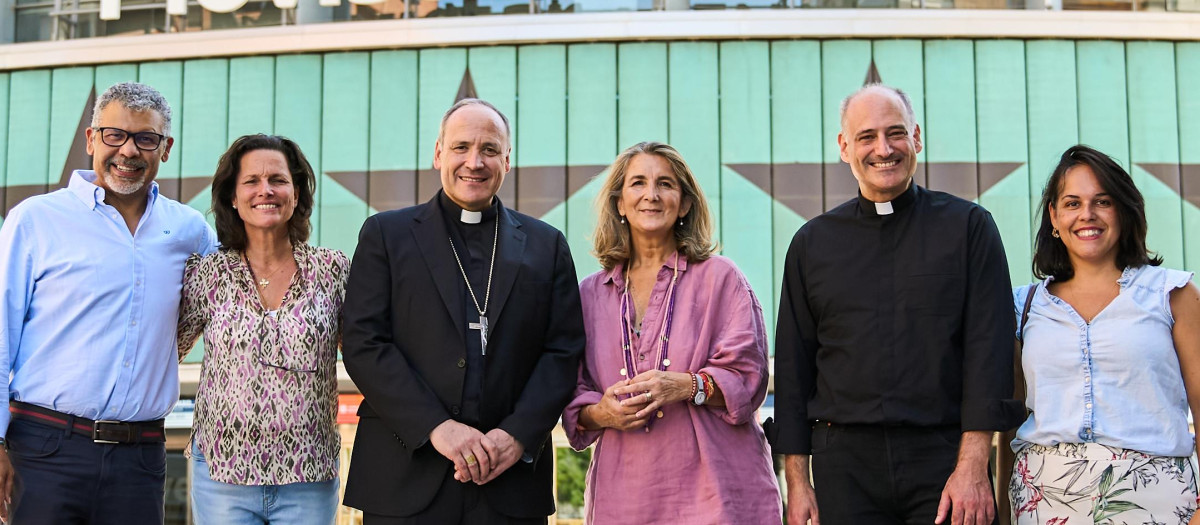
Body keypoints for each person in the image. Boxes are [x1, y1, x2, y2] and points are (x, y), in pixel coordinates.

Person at [772, 83, 1024, 525]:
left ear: (917, 138)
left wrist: (971, 466)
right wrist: (797, 483)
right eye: (866, 137)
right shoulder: (811, 244)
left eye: (896, 133)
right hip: (844, 466)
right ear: (844, 147)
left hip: (945, 461)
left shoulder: (969, 228)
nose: (883, 149)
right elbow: (795, 371)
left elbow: (991, 353)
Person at [340, 98, 586, 524]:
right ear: (438, 153)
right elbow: (364, 342)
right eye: (461, 147)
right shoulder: (387, 235)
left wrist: (516, 437)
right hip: (405, 476)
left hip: (508, 480)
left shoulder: (547, 246)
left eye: (489, 149)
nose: (475, 162)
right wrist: (437, 427)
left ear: (507, 161)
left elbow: (563, 352)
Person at [0, 82, 216, 523]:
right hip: (43, 451)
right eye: (114, 135)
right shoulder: (35, 219)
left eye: (145, 138)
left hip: (140, 460)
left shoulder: (190, 231)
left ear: (165, 147)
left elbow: (238, 298)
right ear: (91, 139)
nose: (129, 151)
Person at [560, 141, 781, 523]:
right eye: (638, 183)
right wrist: (603, 412)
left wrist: (684, 386)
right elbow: (570, 395)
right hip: (624, 499)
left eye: (665, 184)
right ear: (619, 203)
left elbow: (748, 379)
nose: (651, 194)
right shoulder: (589, 295)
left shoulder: (721, 279)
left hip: (720, 498)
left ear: (685, 203)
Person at [1007, 145, 1200, 524]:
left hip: (1158, 500)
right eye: (1072, 203)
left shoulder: (1172, 294)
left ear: (1124, 212)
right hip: (1043, 503)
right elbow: (1006, 416)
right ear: (1054, 217)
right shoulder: (1022, 305)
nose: (1087, 215)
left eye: (1102, 201)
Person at [176, 134, 345, 524]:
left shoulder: (333, 270)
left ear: (297, 193)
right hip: (223, 475)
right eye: (251, 181)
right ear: (233, 197)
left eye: (278, 180)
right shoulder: (207, 273)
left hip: (309, 474)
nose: (265, 190)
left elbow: (367, 356)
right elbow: (165, 351)